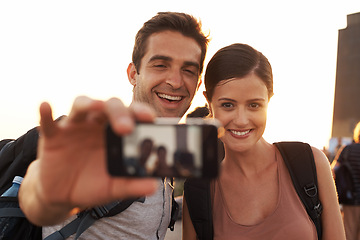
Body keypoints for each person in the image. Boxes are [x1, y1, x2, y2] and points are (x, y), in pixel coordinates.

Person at [18, 11, 209, 239]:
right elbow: (38, 199)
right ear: (133, 74)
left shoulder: (161, 153)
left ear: (197, 84)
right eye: (160, 65)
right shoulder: (98, 138)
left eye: (188, 70)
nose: (175, 81)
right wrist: (51, 192)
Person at [182, 43, 345, 240]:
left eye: (254, 105)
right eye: (227, 105)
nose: (241, 120)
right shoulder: (199, 191)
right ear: (209, 101)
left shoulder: (311, 163)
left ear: (269, 101)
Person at [332, 121, 360, 240]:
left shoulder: (347, 149)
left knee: (349, 233)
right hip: (352, 199)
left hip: (351, 199)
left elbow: (333, 170)